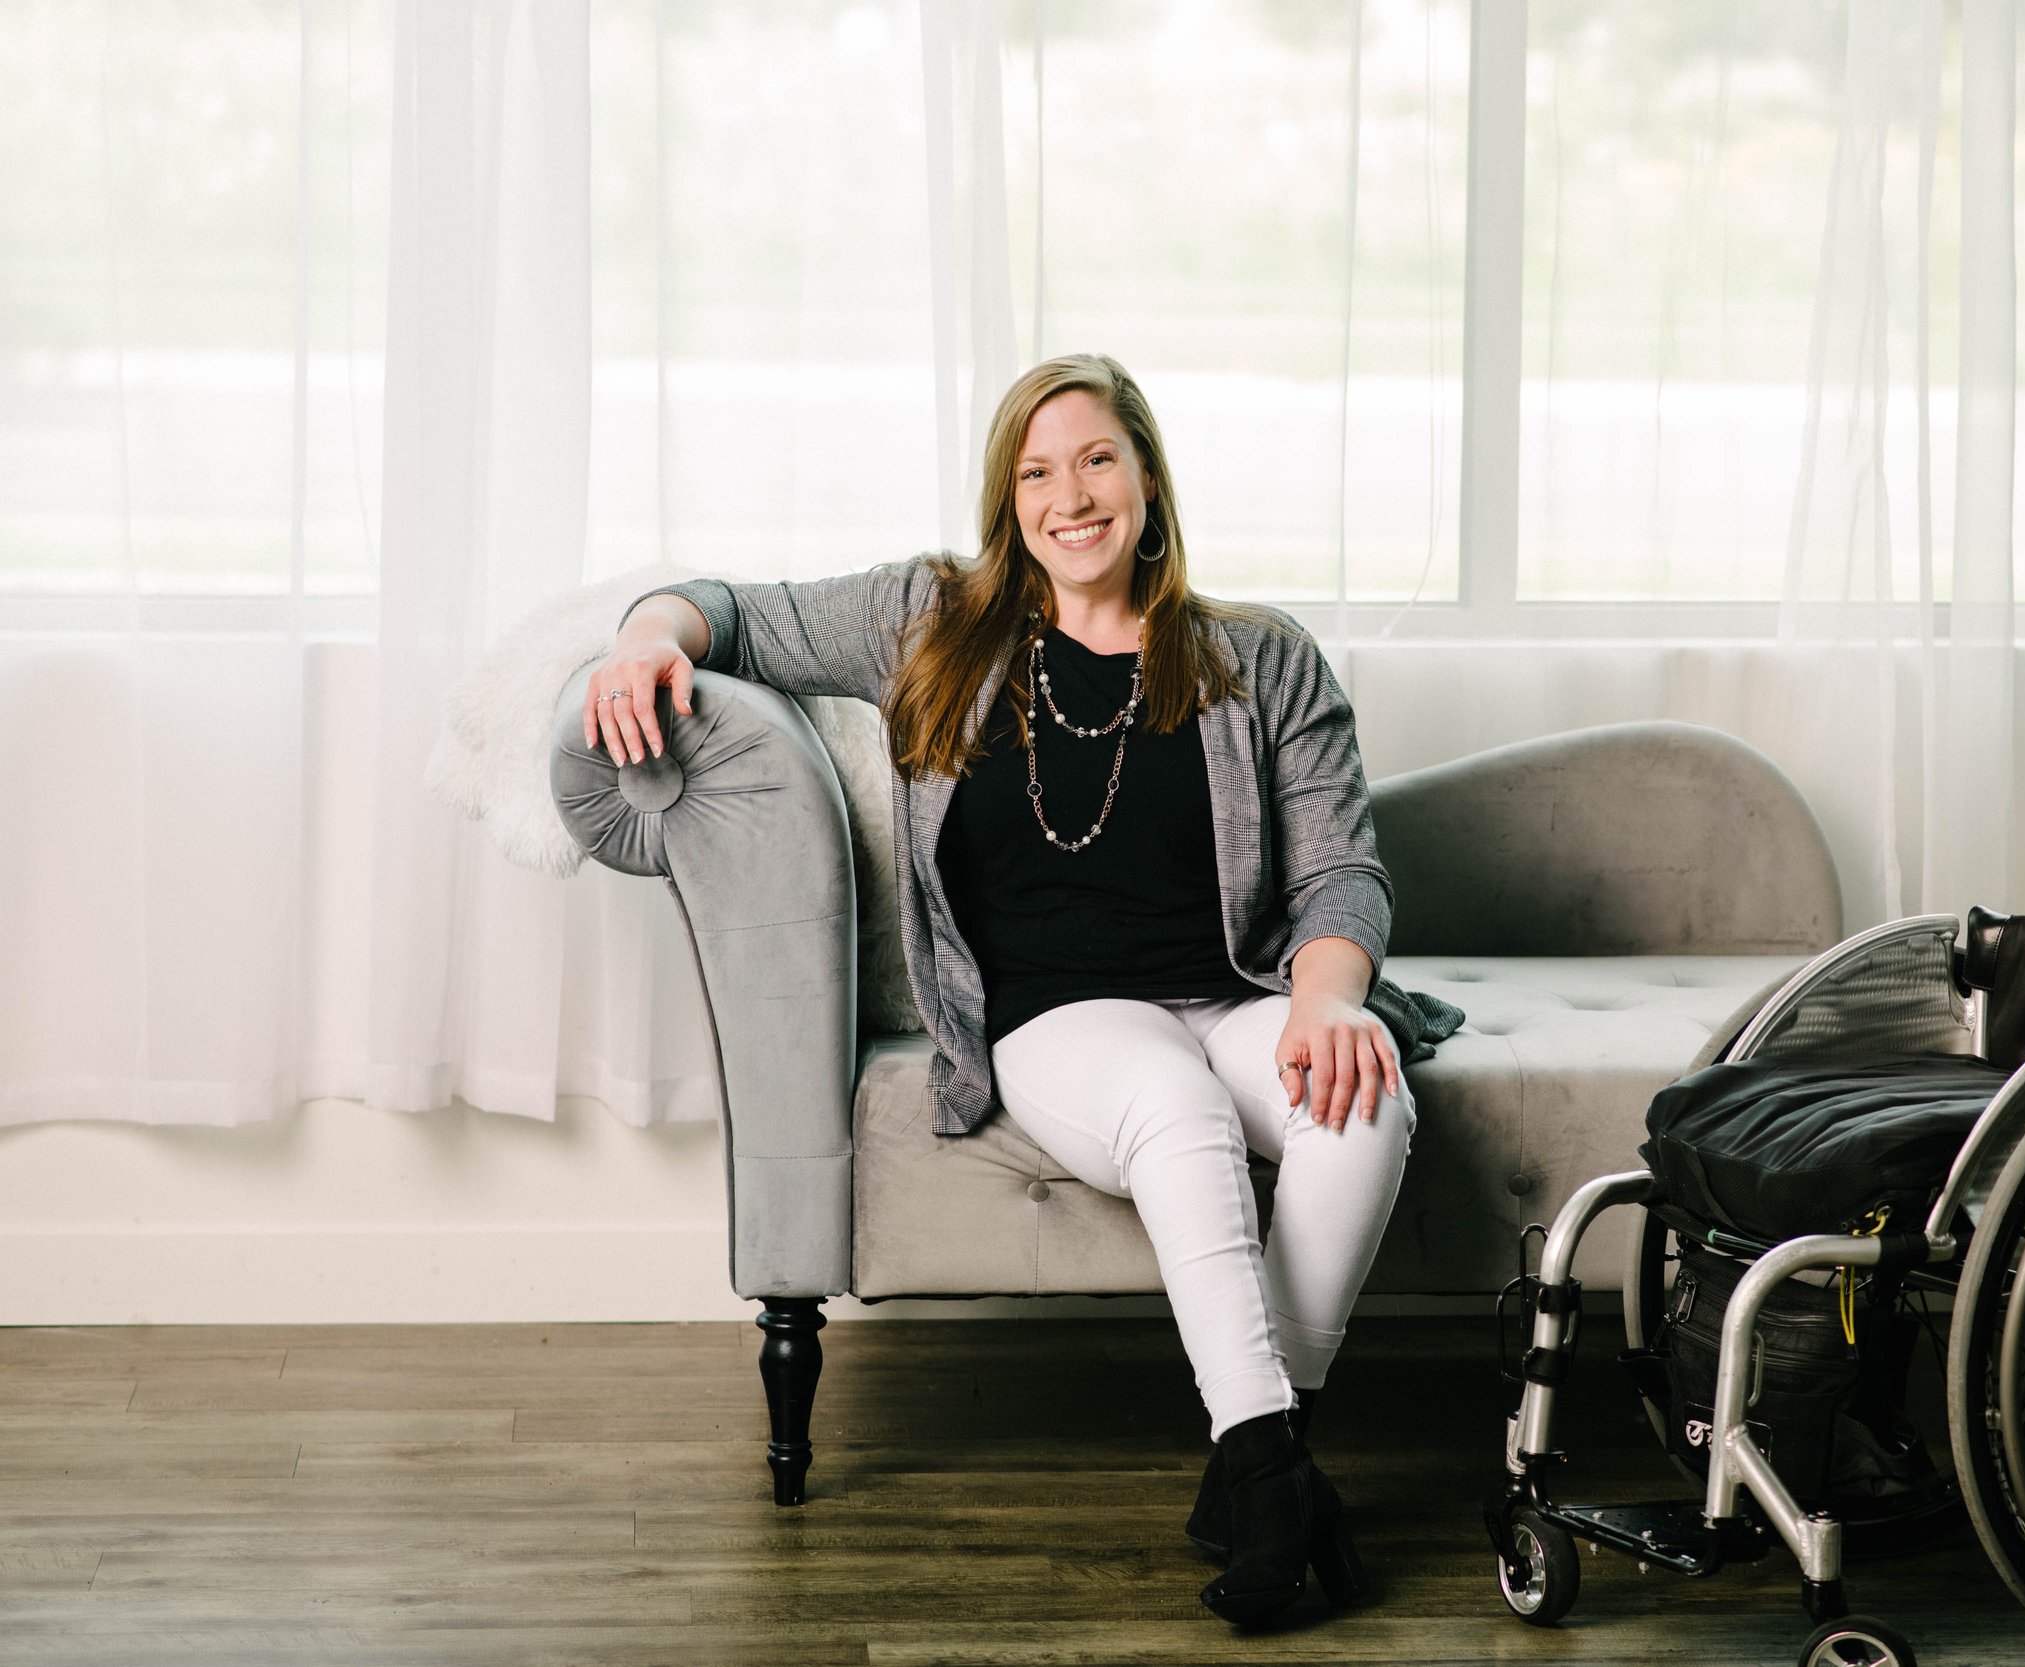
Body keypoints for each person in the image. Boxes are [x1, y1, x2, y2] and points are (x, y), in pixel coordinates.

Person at [584, 353, 1451, 1625]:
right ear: (1009, 500)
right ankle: (1273, 1481)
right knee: (1178, 1108)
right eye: (1037, 471)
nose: (1072, 494)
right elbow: (730, 609)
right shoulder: (929, 618)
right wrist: (644, 638)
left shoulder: (1261, 660)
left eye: (1098, 458)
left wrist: (1328, 997)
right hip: (1058, 1018)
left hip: (1236, 992)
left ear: (1148, 477)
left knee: (1364, 1100)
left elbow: (1341, 873)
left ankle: (1263, 1455)